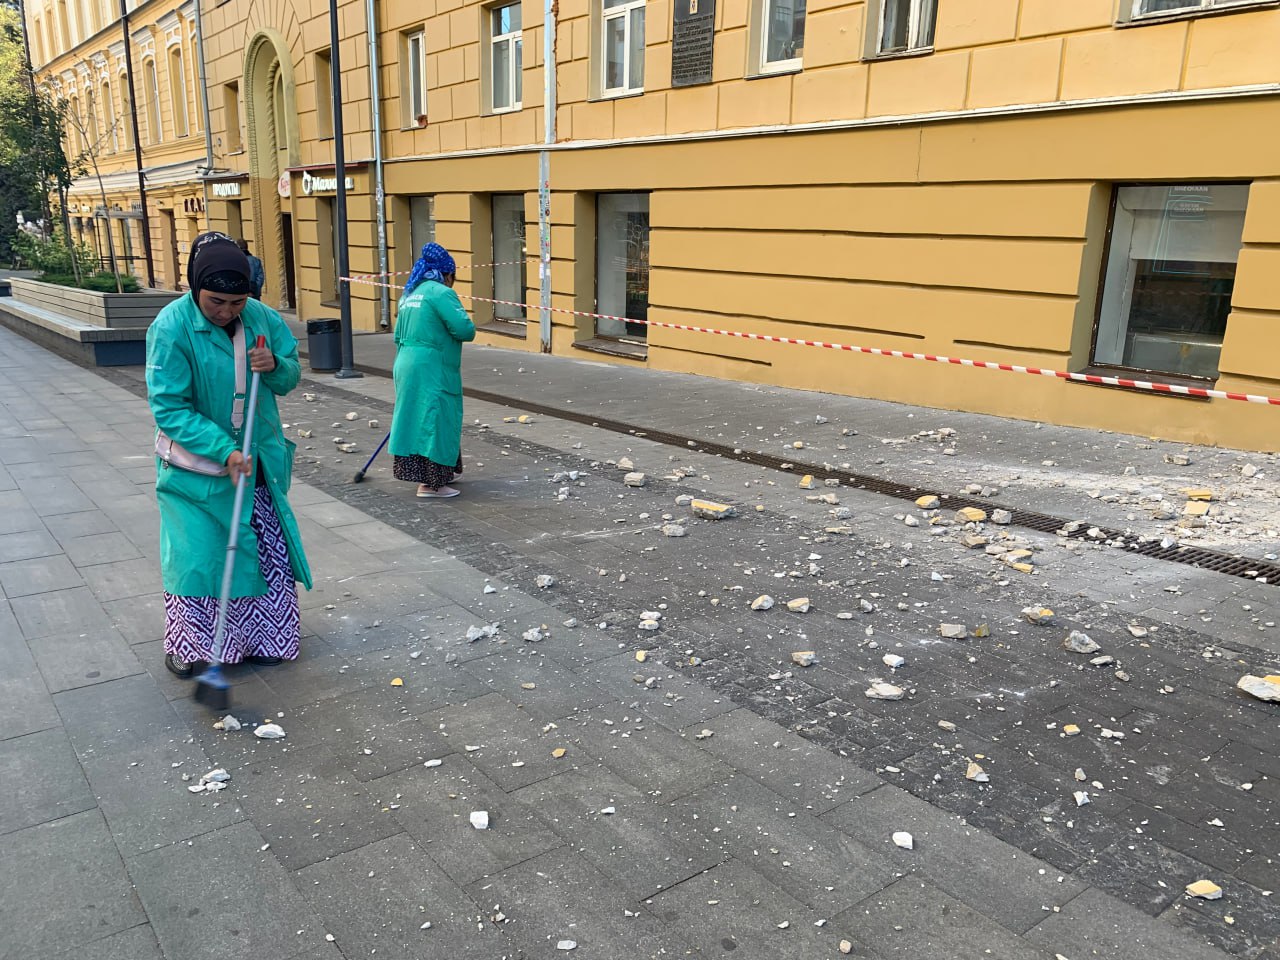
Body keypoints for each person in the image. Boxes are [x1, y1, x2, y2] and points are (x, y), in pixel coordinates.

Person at [146, 231, 312, 678]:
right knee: (199, 555)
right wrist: (224, 449)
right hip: (196, 469)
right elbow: (169, 407)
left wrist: (276, 366)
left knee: (260, 548)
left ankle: (262, 636)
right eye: (215, 301)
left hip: (257, 461)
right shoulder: (170, 327)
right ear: (195, 286)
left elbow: (291, 375)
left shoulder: (262, 319)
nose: (226, 312)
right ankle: (194, 646)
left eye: (236, 302)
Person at [389, 242, 476, 499]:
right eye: (452, 277)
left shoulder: (410, 294)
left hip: (406, 361)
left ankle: (445, 471)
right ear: (446, 274)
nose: (452, 283)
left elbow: (397, 335)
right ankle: (431, 484)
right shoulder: (440, 293)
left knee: (415, 418)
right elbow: (465, 330)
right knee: (437, 419)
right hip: (432, 366)